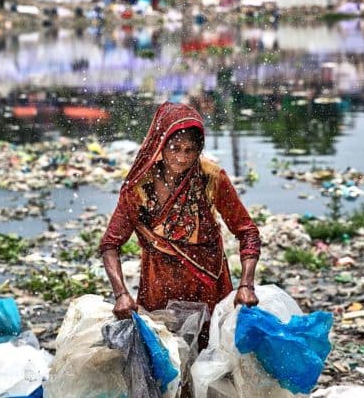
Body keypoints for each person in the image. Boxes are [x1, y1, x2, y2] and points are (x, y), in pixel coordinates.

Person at [99, 102, 261, 330]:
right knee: (166, 354)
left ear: (199, 149)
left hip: (208, 287)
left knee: (210, 357)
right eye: (175, 148)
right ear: (161, 146)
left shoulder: (210, 177)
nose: (182, 158)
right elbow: (110, 244)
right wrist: (121, 294)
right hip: (159, 288)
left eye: (190, 150)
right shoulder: (139, 187)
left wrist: (246, 285)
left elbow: (247, 232)